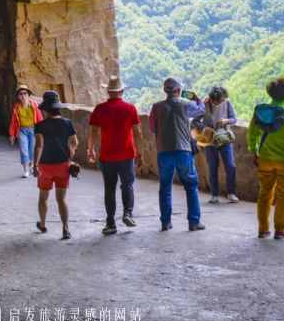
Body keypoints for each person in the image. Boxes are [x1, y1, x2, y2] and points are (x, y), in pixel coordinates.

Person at [248, 76, 284, 240]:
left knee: (264, 193)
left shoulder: (260, 112)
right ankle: (280, 230)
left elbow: (252, 133)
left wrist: (254, 150)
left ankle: (263, 229)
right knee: (283, 195)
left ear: (270, 93)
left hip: (265, 159)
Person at [149, 78, 206, 232]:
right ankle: (194, 222)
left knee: (165, 187)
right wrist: (196, 98)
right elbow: (202, 110)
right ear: (179, 90)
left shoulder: (156, 107)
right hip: (183, 150)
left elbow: (152, 128)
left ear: (165, 91)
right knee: (191, 186)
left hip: (164, 151)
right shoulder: (186, 104)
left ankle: (165, 222)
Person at [88, 75, 142, 235]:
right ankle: (127, 213)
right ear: (122, 91)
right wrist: (140, 153)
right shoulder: (130, 108)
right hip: (126, 154)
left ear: (108, 92)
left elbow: (93, 131)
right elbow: (138, 132)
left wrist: (90, 149)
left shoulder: (99, 109)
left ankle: (110, 223)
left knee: (109, 188)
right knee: (127, 185)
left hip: (107, 155)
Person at [32, 91, 78, 241]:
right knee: (61, 199)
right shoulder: (67, 123)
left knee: (43, 197)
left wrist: (35, 165)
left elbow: (39, 146)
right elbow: (74, 142)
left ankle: (43, 224)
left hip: (45, 166)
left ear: (45, 109)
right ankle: (65, 229)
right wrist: (70, 156)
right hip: (63, 166)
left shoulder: (40, 125)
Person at [202, 86, 239, 204]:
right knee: (212, 166)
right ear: (212, 99)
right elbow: (196, 120)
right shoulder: (204, 104)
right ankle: (214, 195)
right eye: (218, 101)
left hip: (224, 138)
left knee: (230, 165)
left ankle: (231, 193)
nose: (220, 102)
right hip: (210, 139)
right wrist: (205, 129)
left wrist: (225, 121)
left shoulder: (227, 103)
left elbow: (234, 119)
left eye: (221, 100)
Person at [8, 84, 43, 178]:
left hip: (33, 130)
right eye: (20, 94)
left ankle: (31, 165)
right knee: (24, 150)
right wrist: (12, 135)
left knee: (31, 150)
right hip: (22, 130)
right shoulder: (16, 107)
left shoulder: (34, 106)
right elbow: (13, 122)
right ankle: (26, 169)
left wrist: (42, 131)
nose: (23, 96)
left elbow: (40, 119)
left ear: (28, 95)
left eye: (25, 93)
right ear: (18, 96)